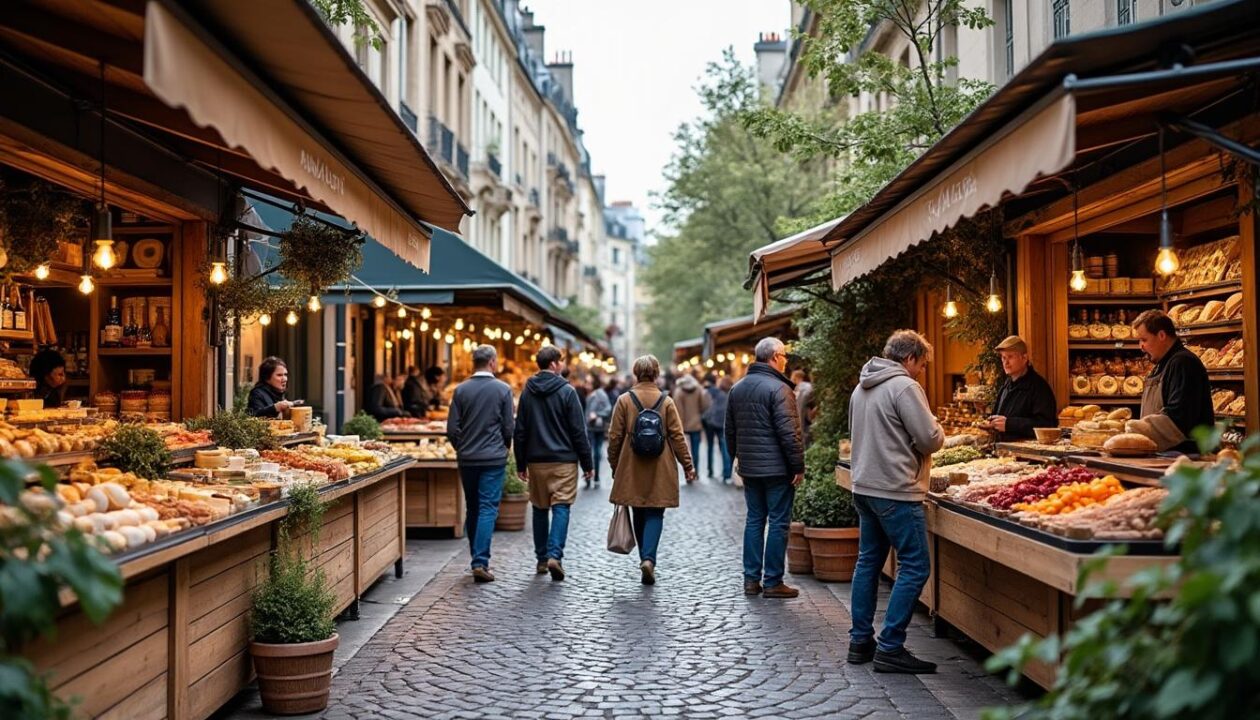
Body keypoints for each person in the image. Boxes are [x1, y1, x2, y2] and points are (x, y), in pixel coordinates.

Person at [847, 330, 945, 674]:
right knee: (916, 565)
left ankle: (860, 641)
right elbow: (930, 439)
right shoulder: (904, 386)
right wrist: (938, 428)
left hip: (865, 486)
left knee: (868, 562)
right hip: (896, 489)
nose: (922, 371)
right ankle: (890, 646)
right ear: (910, 358)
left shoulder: (862, 386)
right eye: (922, 364)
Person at [725, 337, 804, 599]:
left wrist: (738, 458)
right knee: (779, 522)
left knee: (754, 520)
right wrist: (797, 466)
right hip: (777, 470)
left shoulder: (738, 388)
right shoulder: (779, 389)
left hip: (751, 469)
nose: (786, 361)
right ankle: (772, 581)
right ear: (774, 357)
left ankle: (750, 580)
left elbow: (730, 431)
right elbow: (789, 432)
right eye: (784, 356)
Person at [607, 355, 696, 585]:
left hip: (631, 465)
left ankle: (644, 559)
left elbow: (615, 436)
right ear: (656, 374)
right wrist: (687, 465)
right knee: (656, 512)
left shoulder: (624, 400)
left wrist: (615, 464)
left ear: (636, 373)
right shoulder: (666, 401)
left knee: (638, 509)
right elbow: (677, 436)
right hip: (661, 465)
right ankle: (649, 559)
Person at [514, 346, 593, 581]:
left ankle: (541, 559)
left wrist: (520, 463)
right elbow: (579, 431)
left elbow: (520, 430)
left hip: (536, 460)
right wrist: (588, 462)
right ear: (554, 364)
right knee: (561, 506)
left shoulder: (528, 391)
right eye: (561, 361)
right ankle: (555, 555)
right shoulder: (567, 392)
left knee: (539, 508)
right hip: (564, 461)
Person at [447, 345, 515, 583]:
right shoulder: (503, 390)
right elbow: (508, 426)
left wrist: (461, 448)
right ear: (493, 363)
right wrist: (505, 447)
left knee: (473, 507)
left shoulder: (460, 390)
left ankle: (476, 558)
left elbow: (452, 428)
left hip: (467, 458)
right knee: (487, 508)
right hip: (493, 457)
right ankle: (480, 561)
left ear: (472, 363)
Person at [1132, 310, 1214, 454]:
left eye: (1144, 340)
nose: (1141, 346)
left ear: (1162, 335)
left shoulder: (1183, 363)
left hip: (1187, 458)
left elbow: (1178, 418)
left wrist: (1135, 429)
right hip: (1165, 454)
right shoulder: (1163, 364)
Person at [984, 336, 1057, 442]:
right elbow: (1000, 418)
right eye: (1003, 357)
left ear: (1024, 358)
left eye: (1010, 357)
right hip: (1004, 451)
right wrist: (992, 424)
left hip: (1027, 454)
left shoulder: (1039, 387)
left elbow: (1047, 425)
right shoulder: (1006, 384)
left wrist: (1009, 424)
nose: (1006, 362)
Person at [671, 372, 710, 482]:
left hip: (683, 425)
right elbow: (704, 405)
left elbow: (677, 409)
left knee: (685, 452)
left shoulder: (679, 391)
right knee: (695, 450)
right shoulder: (698, 390)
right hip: (696, 424)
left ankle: (688, 473)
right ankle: (695, 472)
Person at [585, 375, 612, 488]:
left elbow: (608, 408)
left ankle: (594, 477)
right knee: (592, 453)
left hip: (596, 427)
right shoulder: (591, 393)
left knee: (594, 453)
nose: (586, 385)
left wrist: (596, 415)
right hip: (590, 427)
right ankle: (591, 477)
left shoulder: (600, 393)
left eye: (588, 382)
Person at [705, 377, 734, 484]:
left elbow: (708, 406)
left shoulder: (715, 393)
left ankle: (710, 470)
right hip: (724, 424)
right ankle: (726, 474)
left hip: (712, 423)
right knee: (725, 448)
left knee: (710, 446)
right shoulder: (731, 394)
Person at [791, 370, 814, 448]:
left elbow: (800, 408)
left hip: (803, 421)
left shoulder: (802, 389)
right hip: (806, 421)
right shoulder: (807, 387)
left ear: (796, 378)